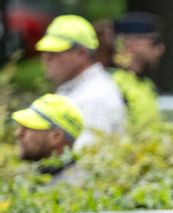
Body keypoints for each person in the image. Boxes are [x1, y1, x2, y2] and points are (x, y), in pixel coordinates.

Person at [35, 14, 125, 149]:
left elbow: (86, 162)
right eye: (45, 52)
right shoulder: (82, 87)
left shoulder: (92, 98)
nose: (46, 58)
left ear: (81, 54)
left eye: (54, 52)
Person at [12, 93, 86, 185]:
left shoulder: (73, 190)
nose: (18, 133)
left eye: (27, 127)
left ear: (56, 137)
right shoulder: (34, 178)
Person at [111, 12, 166, 127]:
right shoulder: (113, 85)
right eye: (154, 43)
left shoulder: (147, 84)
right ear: (133, 44)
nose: (161, 49)